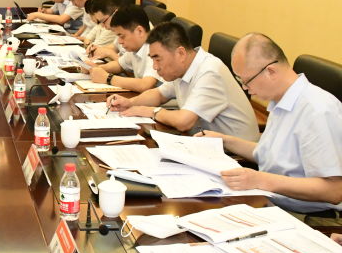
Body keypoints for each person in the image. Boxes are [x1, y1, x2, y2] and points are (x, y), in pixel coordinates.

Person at [203, 33, 342, 214]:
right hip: (271, 199)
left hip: (310, 216)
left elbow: (333, 191)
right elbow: (269, 155)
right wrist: (224, 140)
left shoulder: (318, 111)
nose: (245, 88)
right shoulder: (281, 99)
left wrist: (259, 180)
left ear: (270, 71)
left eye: (246, 81)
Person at [106, 22, 259, 140]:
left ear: (180, 53)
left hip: (235, 157)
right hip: (203, 143)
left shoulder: (210, 72)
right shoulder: (184, 67)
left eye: (158, 59)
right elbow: (159, 94)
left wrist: (151, 111)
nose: (155, 67)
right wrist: (130, 103)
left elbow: (184, 122)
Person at [88, 5, 161, 93]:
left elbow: (145, 85)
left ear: (139, 31)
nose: (119, 41)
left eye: (122, 36)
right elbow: (120, 65)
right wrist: (96, 69)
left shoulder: (156, 47)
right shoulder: (136, 47)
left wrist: (108, 78)